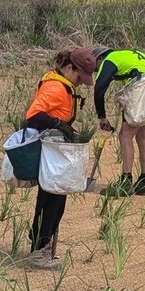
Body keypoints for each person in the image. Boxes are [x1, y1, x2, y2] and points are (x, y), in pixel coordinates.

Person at [19, 49, 96, 268]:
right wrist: (57, 125)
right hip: (51, 152)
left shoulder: (63, 84)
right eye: (79, 77)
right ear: (70, 68)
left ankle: (42, 245)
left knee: (55, 198)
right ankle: (39, 250)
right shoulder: (55, 87)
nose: (80, 83)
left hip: (56, 149)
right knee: (51, 200)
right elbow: (33, 115)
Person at [88, 45, 145, 196]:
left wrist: (102, 117)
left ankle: (125, 183)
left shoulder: (110, 59)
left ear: (99, 58)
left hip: (142, 88)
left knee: (125, 135)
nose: (96, 71)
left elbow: (99, 88)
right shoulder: (132, 54)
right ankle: (144, 183)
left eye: (95, 67)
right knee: (143, 137)